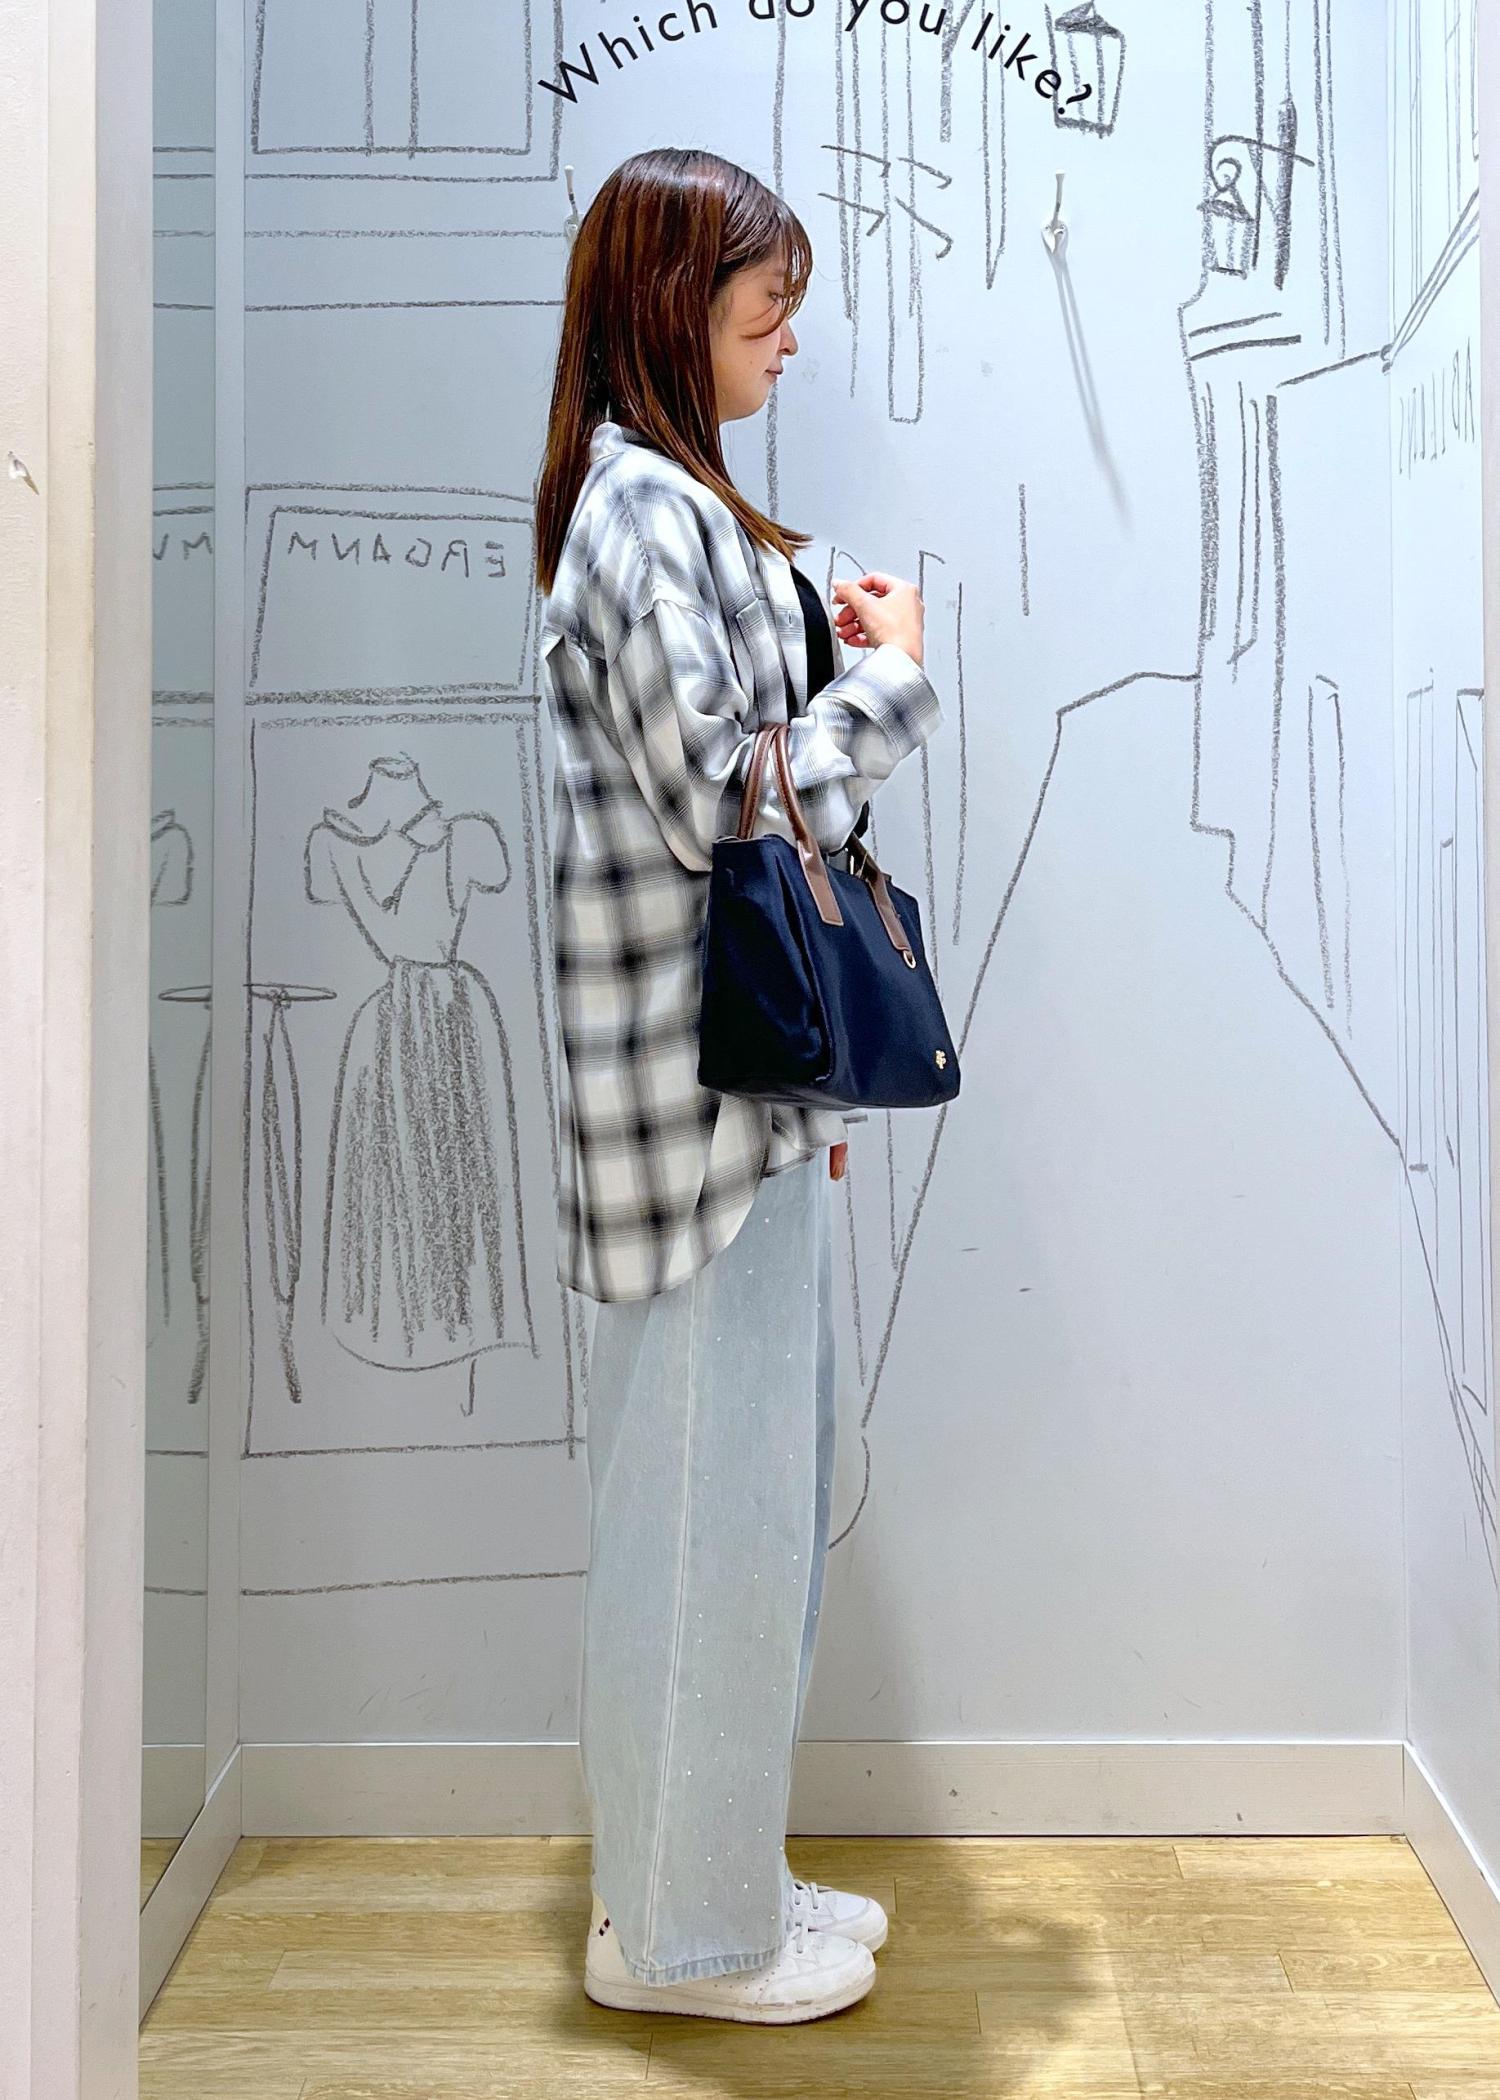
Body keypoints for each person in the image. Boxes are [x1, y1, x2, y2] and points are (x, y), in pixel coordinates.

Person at [533, 147, 943, 2025]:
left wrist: (818, 638)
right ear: (668, 303)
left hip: (731, 1102)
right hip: (686, 1118)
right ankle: (683, 1940)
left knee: (751, 1515)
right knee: (705, 1527)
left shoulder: (676, 505)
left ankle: (709, 1880)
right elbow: (725, 800)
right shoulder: (639, 511)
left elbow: (733, 773)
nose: (788, 334)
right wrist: (892, 685)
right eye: (764, 302)